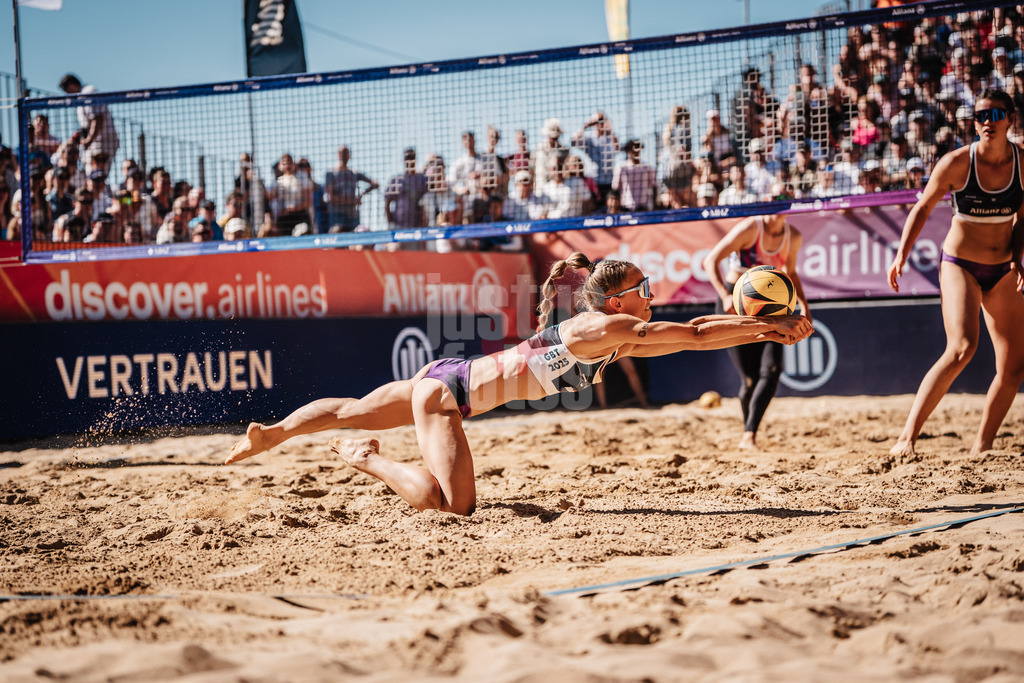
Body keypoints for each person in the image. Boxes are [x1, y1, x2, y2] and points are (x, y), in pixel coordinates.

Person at [225, 252, 813, 515]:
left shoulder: (607, 327)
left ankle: (272, 433)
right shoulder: (606, 324)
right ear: (616, 297)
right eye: (644, 286)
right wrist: (768, 328)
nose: (651, 294)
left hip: (446, 376)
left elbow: (696, 333)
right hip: (447, 395)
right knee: (449, 505)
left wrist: (763, 330)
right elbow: (696, 334)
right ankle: (367, 461)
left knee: (350, 407)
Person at [887, 89, 1024, 457]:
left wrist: (1018, 258)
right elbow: (922, 208)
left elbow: (1022, 220)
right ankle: (907, 438)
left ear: (1010, 118)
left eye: (995, 114)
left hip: (1004, 268)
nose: (987, 122)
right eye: (980, 116)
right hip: (961, 264)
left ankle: (983, 447)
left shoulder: (1022, 163)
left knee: (1013, 366)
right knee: (962, 348)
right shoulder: (957, 163)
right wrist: (902, 254)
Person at [702, 201, 811, 451]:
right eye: (776, 197)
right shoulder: (751, 228)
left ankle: (749, 434)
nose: (780, 203)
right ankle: (747, 430)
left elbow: (791, 273)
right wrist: (725, 295)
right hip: (738, 303)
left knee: (772, 370)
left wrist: (806, 306)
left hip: (774, 305)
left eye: (786, 198)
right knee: (750, 379)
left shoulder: (792, 236)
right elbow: (711, 261)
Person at [58, 74, 119, 174]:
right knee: (90, 170)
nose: (68, 94)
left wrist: (88, 140)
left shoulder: (87, 92)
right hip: (96, 141)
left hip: (102, 141)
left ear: (72, 85)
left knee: (96, 172)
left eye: (67, 90)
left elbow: (98, 118)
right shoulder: (81, 96)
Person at [324, 145, 378, 232]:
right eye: (342, 153)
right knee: (337, 240)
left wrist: (362, 195)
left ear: (349, 155)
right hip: (337, 215)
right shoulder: (331, 174)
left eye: (346, 153)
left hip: (352, 215)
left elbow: (375, 184)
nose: (344, 155)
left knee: (354, 241)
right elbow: (331, 197)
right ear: (338, 155)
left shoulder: (354, 173)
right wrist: (352, 201)